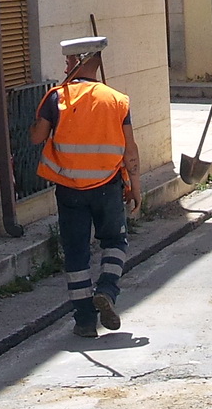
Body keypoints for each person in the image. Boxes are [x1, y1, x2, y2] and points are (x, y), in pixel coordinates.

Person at [29, 36, 141, 338]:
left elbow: (36, 138)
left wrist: (41, 117)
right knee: (115, 243)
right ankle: (106, 289)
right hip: (107, 186)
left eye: (69, 60)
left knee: (76, 253)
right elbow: (130, 149)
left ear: (79, 61)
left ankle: (85, 321)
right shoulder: (117, 100)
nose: (65, 64)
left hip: (69, 190)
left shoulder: (56, 97)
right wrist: (136, 186)